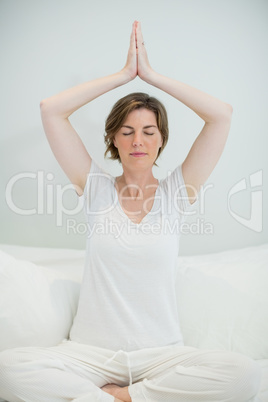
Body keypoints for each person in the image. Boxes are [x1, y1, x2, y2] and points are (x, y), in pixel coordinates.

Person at [0, 21, 261, 402]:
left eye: (149, 131)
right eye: (126, 131)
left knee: (246, 376)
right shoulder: (95, 188)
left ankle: (122, 397)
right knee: (8, 368)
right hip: (89, 356)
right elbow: (50, 110)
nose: (138, 140)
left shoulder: (178, 192)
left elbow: (221, 115)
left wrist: (152, 76)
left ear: (161, 140)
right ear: (113, 140)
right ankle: (120, 396)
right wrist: (124, 76)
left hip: (161, 356)